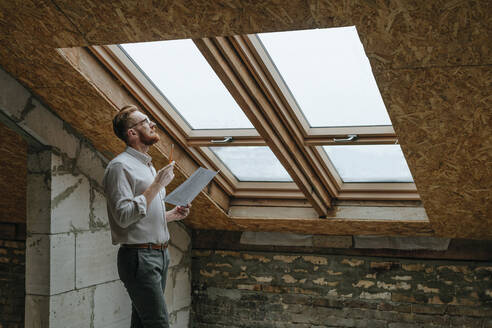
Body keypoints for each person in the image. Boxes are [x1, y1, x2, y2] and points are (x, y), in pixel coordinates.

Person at [103, 104, 191, 328]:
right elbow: (122, 216)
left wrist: (171, 215)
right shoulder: (119, 167)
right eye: (145, 122)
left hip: (160, 255)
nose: (152, 124)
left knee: (142, 323)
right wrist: (156, 185)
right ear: (132, 132)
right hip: (139, 258)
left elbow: (142, 214)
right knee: (157, 323)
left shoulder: (148, 166)